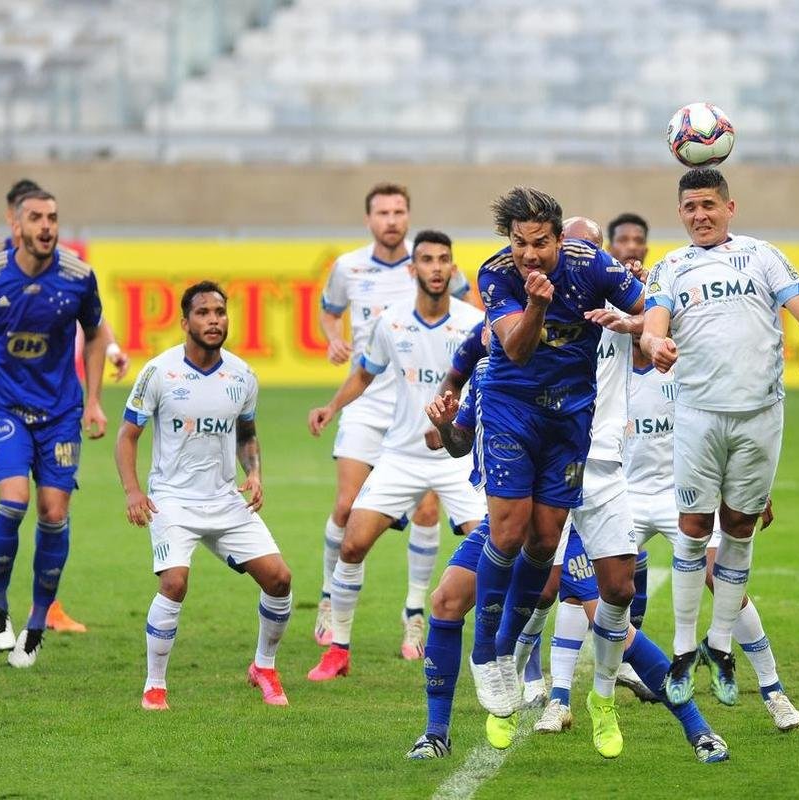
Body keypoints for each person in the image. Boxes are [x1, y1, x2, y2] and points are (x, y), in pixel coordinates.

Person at [413, 361, 729, 764]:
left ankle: (698, 729)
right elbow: (460, 441)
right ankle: (435, 733)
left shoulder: (567, 353)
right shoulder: (488, 370)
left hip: (569, 509)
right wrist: (445, 428)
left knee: (613, 625)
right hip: (512, 518)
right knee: (446, 600)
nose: (492, 333)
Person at [639, 167, 799, 708]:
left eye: (709, 205)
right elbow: (653, 326)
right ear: (680, 213)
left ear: (729, 208)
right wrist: (656, 345)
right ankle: (684, 648)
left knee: (738, 526)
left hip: (760, 416)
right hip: (698, 416)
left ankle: (720, 644)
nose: (700, 215)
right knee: (693, 528)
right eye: (690, 207)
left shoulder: (762, 255)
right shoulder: (670, 267)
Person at [467, 191, 647, 759]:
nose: (529, 254)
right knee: (508, 531)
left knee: (545, 542)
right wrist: (537, 306)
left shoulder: (591, 264)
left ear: (559, 238)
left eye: (540, 243)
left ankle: (509, 647)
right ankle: (487, 653)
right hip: (511, 409)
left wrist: (639, 324)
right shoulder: (496, 274)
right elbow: (517, 350)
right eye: (519, 242)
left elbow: (652, 308)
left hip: (570, 418)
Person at [0, 179, 127, 632]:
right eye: (33, 216)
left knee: (50, 507)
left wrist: (110, 354)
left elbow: (91, 320)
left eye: (51, 217)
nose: (44, 226)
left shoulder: (69, 271)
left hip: (52, 405)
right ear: (13, 219)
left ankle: (46, 605)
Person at [307, 231, 485, 679]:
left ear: (452, 268)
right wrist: (332, 407)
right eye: (427, 259)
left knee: (494, 551)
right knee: (352, 543)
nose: (436, 268)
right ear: (413, 269)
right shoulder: (392, 321)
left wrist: (459, 425)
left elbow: (492, 383)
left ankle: (493, 651)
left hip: (458, 458)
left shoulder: (473, 323)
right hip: (402, 456)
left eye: (443, 259)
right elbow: (364, 374)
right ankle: (338, 650)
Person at [116, 281, 293, 710]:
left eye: (220, 312)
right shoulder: (159, 372)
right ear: (185, 322)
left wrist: (254, 473)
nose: (214, 320)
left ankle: (264, 666)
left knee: (280, 579)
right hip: (172, 500)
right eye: (203, 313)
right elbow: (127, 435)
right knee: (174, 582)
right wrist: (133, 490)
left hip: (225, 498)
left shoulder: (242, 375)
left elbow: (246, 433)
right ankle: (155, 684)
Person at [626, 341, 799, 730]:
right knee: (576, 582)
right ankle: (548, 687)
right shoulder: (605, 362)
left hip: (683, 495)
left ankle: (773, 689)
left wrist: (750, 486)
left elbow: (720, 433)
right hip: (624, 494)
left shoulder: (686, 365)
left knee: (720, 579)